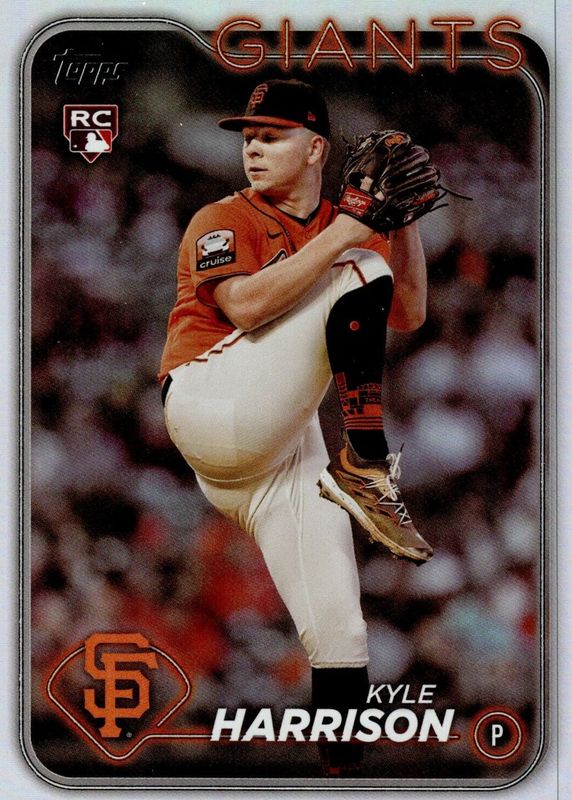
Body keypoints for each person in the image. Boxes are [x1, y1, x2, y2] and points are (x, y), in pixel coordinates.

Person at [159, 79, 433, 777]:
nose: (252, 148)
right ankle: (366, 462)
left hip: (277, 450)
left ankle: (342, 773)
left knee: (341, 631)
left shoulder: (347, 225)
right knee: (357, 265)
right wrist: (354, 230)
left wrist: (403, 222)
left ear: (315, 149)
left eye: (271, 136)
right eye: (248, 137)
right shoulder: (222, 216)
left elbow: (407, 314)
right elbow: (246, 308)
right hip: (212, 400)